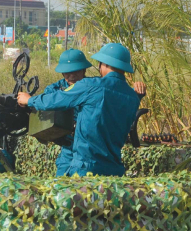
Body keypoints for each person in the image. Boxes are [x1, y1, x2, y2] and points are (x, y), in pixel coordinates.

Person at [17, 43, 140, 177]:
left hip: (87, 167)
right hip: (114, 170)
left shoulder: (90, 86)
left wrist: (29, 100)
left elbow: (55, 100)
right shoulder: (133, 97)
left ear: (103, 64)